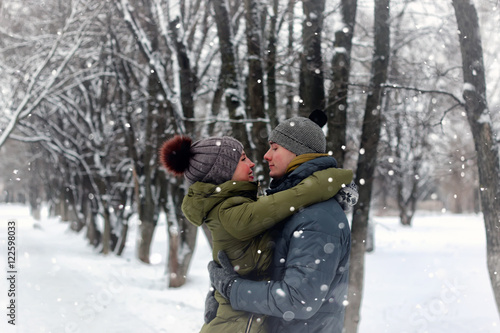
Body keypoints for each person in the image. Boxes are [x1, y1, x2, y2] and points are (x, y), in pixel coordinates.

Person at [159, 134, 354, 333]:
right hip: (239, 325)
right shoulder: (233, 212)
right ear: (224, 171)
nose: (254, 162)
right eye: (243, 159)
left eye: (275, 148)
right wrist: (331, 182)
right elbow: (295, 196)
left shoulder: (236, 206)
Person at [208, 110, 355, 332]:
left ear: (300, 153)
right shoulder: (291, 208)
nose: (266, 155)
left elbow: (299, 300)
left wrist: (232, 289)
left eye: (275, 148)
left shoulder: (318, 216)